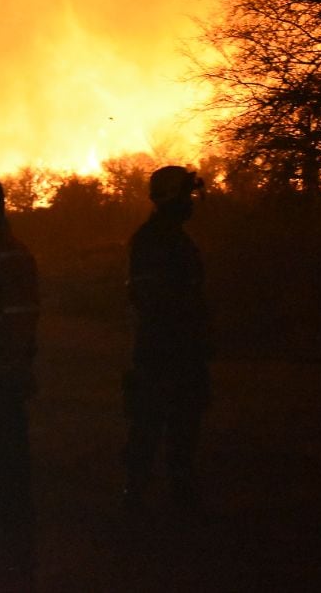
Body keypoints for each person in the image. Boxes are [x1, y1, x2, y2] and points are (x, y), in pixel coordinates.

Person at [122, 166, 211, 510]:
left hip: (175, 346)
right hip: (164, 348)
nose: (192, 202)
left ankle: (171, 487)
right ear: (171, 198)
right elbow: (154, 298)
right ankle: (139, 491)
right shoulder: (156, 239)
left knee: (179, 420)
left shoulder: (169, 236)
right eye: (188, 195)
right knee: (152, 418)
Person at [0, 176, 39, 588]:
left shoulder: (8, 257)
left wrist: (4, 372)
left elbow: (17, 321)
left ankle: (11, 566)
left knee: (4, 478)